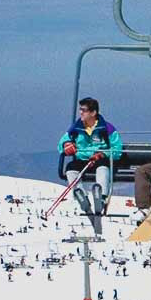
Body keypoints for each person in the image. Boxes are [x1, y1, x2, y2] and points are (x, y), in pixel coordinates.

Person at [57, 97, 122, 235]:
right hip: (82, 159)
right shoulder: (76, 129)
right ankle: (81, 196)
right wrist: (66, 145)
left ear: (93, 113)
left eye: (84, 110)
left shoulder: (107, 128)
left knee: (103, 167)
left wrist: (102, 154)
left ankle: (101, 196)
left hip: (100, 158)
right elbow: (62, 143)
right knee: (70, 168)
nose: (81, 113)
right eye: (80, 110)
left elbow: (117, 149)